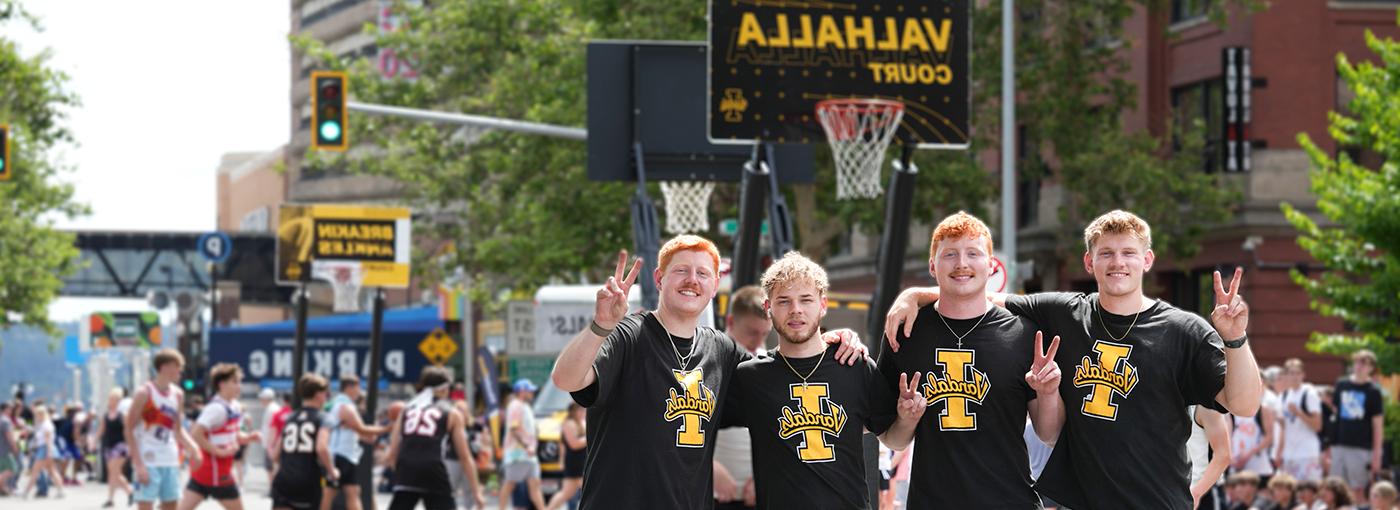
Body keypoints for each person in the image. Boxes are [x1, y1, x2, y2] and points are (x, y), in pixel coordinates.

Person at [885, 209, 1262, 510]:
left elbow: (1244, 404)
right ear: (1089, 262)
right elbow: (975, 294)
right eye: (1106, 254)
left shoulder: (1185, 331)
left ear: (1147, 260)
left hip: (1158, 500)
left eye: (1129, 252)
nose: (1118, 262)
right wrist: (914, 295)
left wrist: (1235, 339)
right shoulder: (1062, 312)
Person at [550, 236, 867, 510]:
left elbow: (782, 378)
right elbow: (566, 379)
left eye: (703, 273)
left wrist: (822, 340)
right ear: (660, 279)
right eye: (682, 271)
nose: (692, 280)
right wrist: (602, 325)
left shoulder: (723, 351)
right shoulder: (631, 334)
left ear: (715, 286)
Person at [875, 212, 1065, 509]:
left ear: (990, 266)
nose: (961, 263)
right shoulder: (905, 332)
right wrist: (907, 419)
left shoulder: (1023, 333)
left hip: (1012, 502)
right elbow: (893, 441)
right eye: (950, 254)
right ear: (932, 266)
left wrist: (1049, 392)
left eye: (972, 253)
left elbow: (1049, 435)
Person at [720, 252, 922, 509]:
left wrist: (908, 418)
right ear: (768, 309)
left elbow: (894, 439)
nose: (796, 309)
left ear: (823, 304)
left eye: (806, 299)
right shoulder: (750, 377)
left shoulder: (855, 365)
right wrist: (715, 468)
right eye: (784, 301)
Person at [386, 366, 484, 510]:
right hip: (434, 470)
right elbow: (465, 456)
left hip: (407, 470)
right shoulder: (452, 413)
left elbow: (393, 451)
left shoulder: (406, 410)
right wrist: (476, 492)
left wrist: (400, 473)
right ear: (445, 388)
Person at [712, 285, 769, 510]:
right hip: (712, 495)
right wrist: (710, 467)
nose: (758, 341)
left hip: (757, 496)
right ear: (731, 322)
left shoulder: (767, 365)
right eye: (752, 332)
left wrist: (764, 476)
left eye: (765, 333)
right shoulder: (708, 362)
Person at [126, 348, 201, 510]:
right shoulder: (144, 392)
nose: (181, 370)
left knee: (171, 504)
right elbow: (128, 430)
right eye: (177, 366)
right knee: (145, 504)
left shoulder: (178, 394)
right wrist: (138, 464)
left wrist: (194, 447)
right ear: (164, 368)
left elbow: (178, 428)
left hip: (170, 458)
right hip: (147, 458)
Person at [179, 363, 260, 510]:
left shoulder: (234, 406)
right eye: (235, 382)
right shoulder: (216, 408)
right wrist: (219, 451)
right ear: (222, 385)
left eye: (239, 381)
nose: (239, 386)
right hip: (215, 472)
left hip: (206, 471)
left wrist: (248, 437)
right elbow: (195, 434)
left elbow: (233, 435)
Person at [322, 375, 392, 510]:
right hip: (339, 454)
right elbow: (361, 428)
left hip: (347, 454)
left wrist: (366, 437)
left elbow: (351, 430)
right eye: (358, 387)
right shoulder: (345, 406)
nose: (360, 390)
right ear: (349, 388)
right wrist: (387, 428)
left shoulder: (339, 404)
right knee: (330, 493)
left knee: (353, 491)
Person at [270, 374, 336, 510]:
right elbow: (321, 448)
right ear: (318, 394)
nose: (326, 397)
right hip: (308, 480)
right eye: (325, 394)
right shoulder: (324, 417)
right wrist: (332, 470)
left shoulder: (291, 416)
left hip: (284, 478)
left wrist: (291, 464)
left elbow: (275, 455)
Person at [1331, 350, 1385, 503]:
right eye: (1356, 362)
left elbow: (1378, 426)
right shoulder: (1342, 384)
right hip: (1339, 445)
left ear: (1371, 367)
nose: (1358, 366)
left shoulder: (1373, 391)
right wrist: (1329, 447)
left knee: (1358, 490)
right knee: (1336, 488)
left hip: (1361, 448)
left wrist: (1376, 455)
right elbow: (1335, 415)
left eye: (1363, 363)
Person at [500, 379, 545, 510]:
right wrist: (526, 446)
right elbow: (513, 429)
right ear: (521, 392)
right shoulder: (515, 405)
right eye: (529, 390)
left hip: (528, 454)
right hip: (518, 453)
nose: (532, 392)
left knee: (535, 485)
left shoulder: (524, 406)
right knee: (510, 484)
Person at [1276, 359, 1324, 483]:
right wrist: (1279, 453)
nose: (1295, 377)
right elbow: (1284, 427)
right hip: (1289, 454)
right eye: (1291, 373)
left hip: (1307, 454)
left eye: (1298, 373)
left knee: (1309, 492)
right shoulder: (1283, 396)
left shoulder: (1309, 394)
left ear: (1303, 375)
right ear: (1286, 375)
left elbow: (1317, 425)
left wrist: (1299, 413)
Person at [93, 387, 133, 507]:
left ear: (118, 401)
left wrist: (131, 447)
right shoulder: (105, 416)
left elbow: (128, 432)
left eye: (113, 399)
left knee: (113, 473)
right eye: (110, 399)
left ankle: (110, 499)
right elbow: (101, 430)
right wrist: (93, 441)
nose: (110, 401)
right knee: (115, 474)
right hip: (109, 447)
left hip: (120, 446)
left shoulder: (123, 415)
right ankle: (130, 493)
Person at [544, 402, 585, 510]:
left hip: (579, 462)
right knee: (591, 489)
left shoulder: (580, 423)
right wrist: (590, 439)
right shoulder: (569, 423)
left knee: (566, 493)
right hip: (576, 463)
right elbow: (574, 444)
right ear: (574, 411)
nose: (583, 413)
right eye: (580, 410)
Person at [20, 405, 66, 499]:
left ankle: (26, 491)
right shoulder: (44, 424)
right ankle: (60, 491)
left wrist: (48, 453)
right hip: (45, 449)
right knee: (52, 471)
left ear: (41, 414)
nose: (36, 417)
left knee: (35, 471)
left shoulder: (46, 425)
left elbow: (48, 440)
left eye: (36, 415)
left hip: (45, 450)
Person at [446, 400, 485, 510]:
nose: (461, 413)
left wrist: (481, 443)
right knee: (451, 487)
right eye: (459, 410)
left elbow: (484, 430)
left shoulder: (472, 424)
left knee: (470, 488)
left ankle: (469, 507)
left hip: (469, 459)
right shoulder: (450, 424)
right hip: (453, 459)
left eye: (464, 410)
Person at [1193, 406, 1234, 510]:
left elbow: (1223, 455)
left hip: (1204, 493)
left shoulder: (1205, 407)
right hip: (1175, 493)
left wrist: (1196, 494)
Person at [258, 388, 281, 494]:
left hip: (271, 443)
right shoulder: (273, 408)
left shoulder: (272, 409)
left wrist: (270, 445)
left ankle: (273, 488)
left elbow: (273, 429)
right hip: (272, 443)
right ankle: (273, 488)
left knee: (272, 467)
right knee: (272, 467)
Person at [0, 402, 17, 496]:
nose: (11, 410)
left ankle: (2, 490)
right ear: (6, 409)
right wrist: (14, 445)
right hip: (5, 450)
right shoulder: (5, 420)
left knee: (2, 470)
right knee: (12, 469)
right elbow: (9, 435)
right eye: (10, 408)